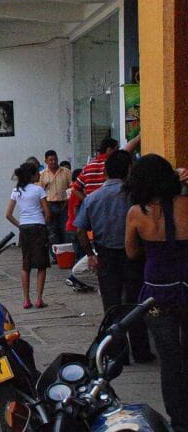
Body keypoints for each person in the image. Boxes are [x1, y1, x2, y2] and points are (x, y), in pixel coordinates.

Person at [126, 154, 188, 432]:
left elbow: (131, 252)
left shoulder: (137, 213)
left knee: (169, 361)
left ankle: (179, 419)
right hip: (185, 287)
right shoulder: (186, 204)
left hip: (156, 293)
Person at [76, 150, 154, 363]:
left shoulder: (92, 198)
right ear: (128, 170)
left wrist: (90, 254)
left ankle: (117, 353)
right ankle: (141, 351)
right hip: (133, 255)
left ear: (106, 172)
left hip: (106, 256)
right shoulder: (134, 196)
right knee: (135, 304)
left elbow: (80, 229)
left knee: (112, 307)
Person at [5, 162, 51, 309]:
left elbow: (8, 214)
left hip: (25, 228)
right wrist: (44, 223)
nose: (39, 175)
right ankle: (39, 299)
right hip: (38, 227)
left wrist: (20, 225)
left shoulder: (16, 191)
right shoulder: (39, 190)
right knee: (41, 265)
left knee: (26, 265)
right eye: (37, 173)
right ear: (32, 175)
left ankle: (26, 299)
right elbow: (47, 212)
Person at [73, 135, 140, 201]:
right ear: (109, 150)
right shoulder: (113, 164)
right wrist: (139, 136)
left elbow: (75, 189)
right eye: (117, 149)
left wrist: (87, 200)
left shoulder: (87, 167)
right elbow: (127, 149)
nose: (118, 152)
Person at [38, 150, 71, 248]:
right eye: (50, 160)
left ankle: (67, 252)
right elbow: (39, 192)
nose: (53, 162)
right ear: (46, 161)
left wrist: (68, 201)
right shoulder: (42, 175)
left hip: (63, 205)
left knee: (66, 230)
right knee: (52, 232)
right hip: (49, 206)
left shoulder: (66, 172)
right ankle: (55, 255)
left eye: (55, 159)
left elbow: (71, 188)